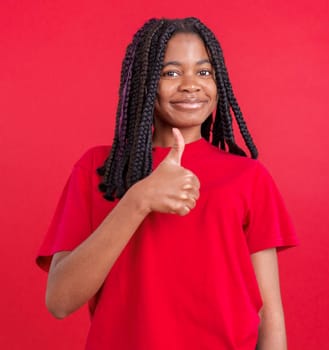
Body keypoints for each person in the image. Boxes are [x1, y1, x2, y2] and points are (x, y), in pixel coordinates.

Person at [36, 17, 298, 350]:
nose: (191, 85)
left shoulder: (248, 177)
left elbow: (271, 314)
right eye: (171, 73)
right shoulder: (98, 170)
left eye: (204, 72)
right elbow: (60, 301)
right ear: (144, 82)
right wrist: (138, 200)